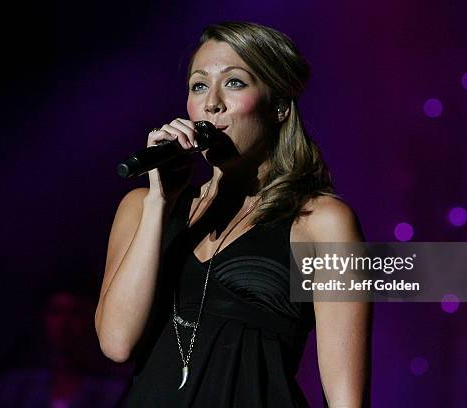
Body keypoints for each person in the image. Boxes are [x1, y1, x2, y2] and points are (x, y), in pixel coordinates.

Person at [95, 21, 371, 407]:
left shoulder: (320, 221)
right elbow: (116, 342)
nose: (212, 103)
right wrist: (161, 202)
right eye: (199, 85)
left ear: (278, 106)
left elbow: (347, 399)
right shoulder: (142, 208)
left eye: (234, 83)